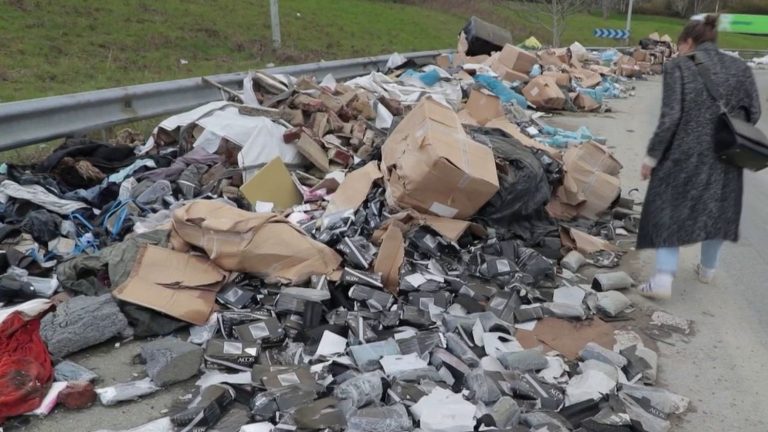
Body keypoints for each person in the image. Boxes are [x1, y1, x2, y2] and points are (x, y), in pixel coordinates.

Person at [636, 14, 761, 299]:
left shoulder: (678, 67)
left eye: (680, 45)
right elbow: (753, 113)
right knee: (719, 210)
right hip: (727, 154)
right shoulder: (741, 67)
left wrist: (651, 159)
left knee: (667, 207)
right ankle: (708, 270)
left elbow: (670, 118)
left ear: (688, 42)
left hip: (683, 154)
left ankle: (663, 278)